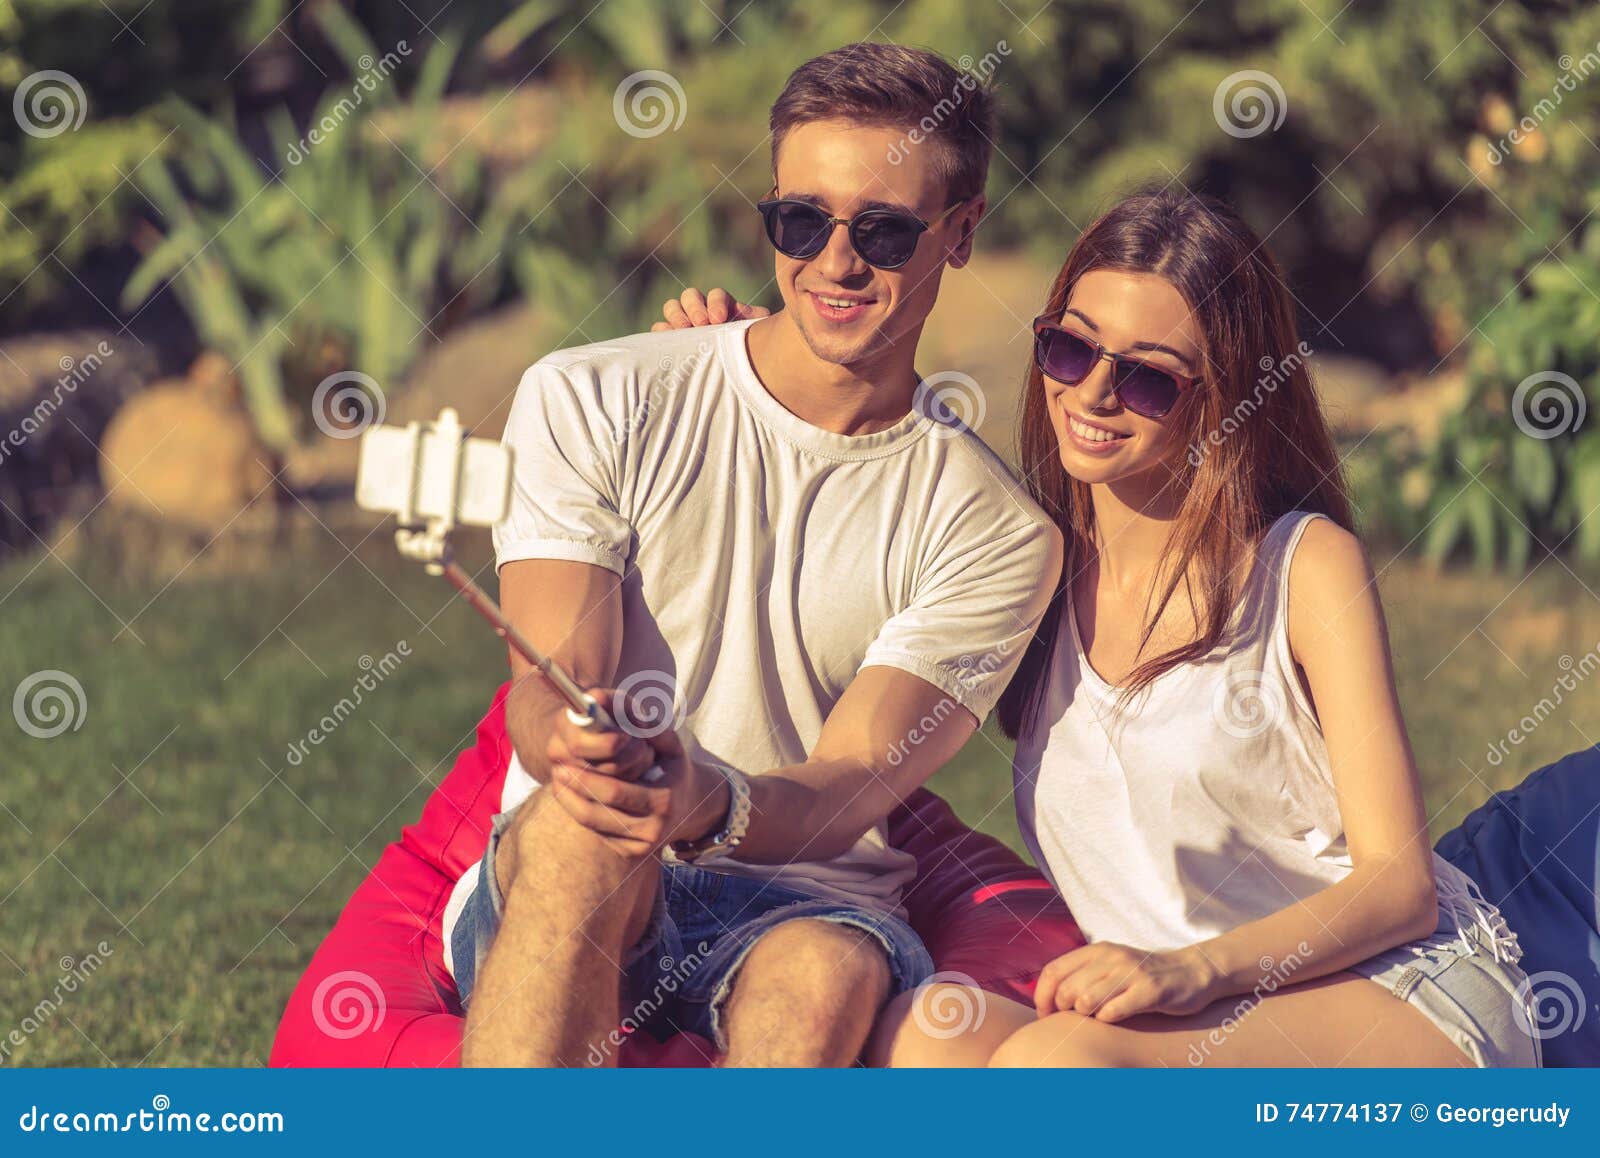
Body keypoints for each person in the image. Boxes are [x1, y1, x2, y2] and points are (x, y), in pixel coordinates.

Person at [659, 188, 1541, 1068]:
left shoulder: (1303, 567)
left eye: (1149, 376)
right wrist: (748, 375)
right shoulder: (1019, 564)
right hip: (1179, 1010)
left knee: (1059, 1067)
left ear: (1225, 396)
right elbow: (840, 519)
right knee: (919, 1039)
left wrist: (1193, 970)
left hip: (1386, 997)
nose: (1095, 392)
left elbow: (1399, 888)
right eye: (1069, 348)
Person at [444, 42, 1060, 1068]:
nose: (834, 261)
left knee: (818, 972)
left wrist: (715, 803)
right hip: (583, 856)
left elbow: (856, 777)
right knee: (584, 828)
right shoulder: (591, 395)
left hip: (811, 898)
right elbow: (549, 686)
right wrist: (587, 752)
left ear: (960, 233)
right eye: (800, 221)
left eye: (884, 231)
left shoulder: (994, 530)